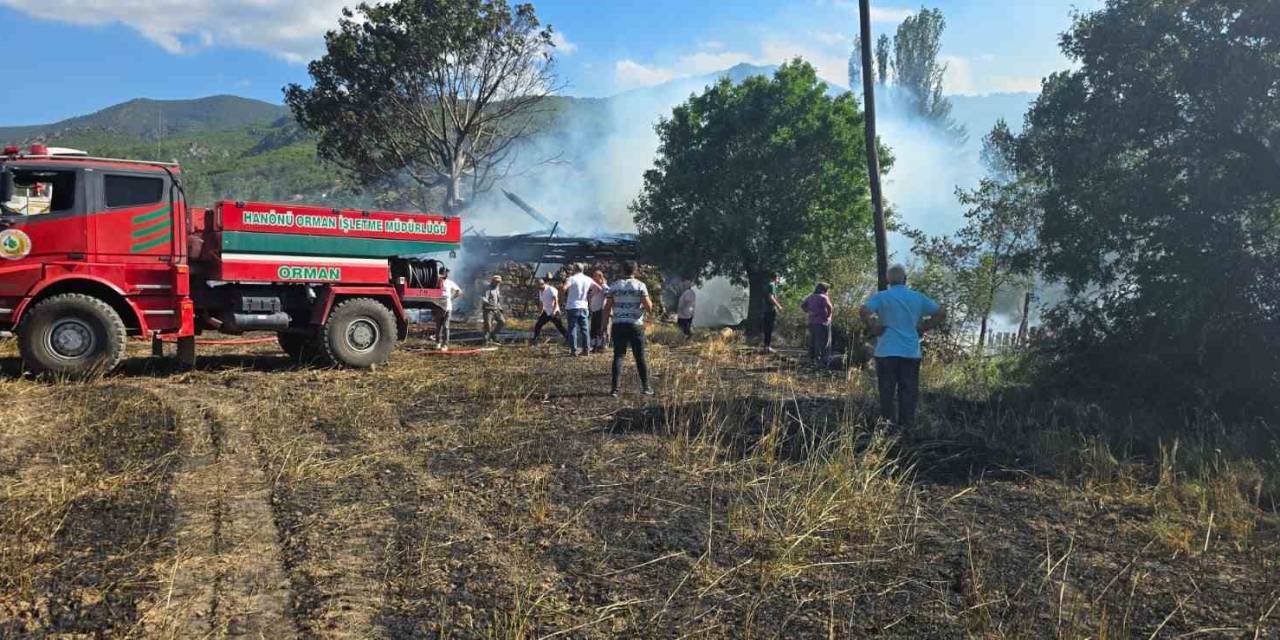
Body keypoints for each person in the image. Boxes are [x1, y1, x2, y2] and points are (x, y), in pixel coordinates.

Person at [859, 264, 947, 429]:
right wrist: (924, 327)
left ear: (888, 280)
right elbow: (941, 313)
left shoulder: (882, 296)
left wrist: (874, 326)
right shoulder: (917, 297)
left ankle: (887, 428)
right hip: (910, 352)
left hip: (886, 351)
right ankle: (907, 428)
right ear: (905, 279)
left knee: (886, 392)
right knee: (908, 392)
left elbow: (863, 310)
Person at [604, 261, 654, 397]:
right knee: (639, 356)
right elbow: (649, 307)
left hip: (618, 324)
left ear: (621, 270)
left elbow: (607, 307)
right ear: (635, 271)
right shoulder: (640, 285)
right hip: (635, 324)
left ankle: (615, 389)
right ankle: (646, 387)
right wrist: (642, 309)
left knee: (619, 355)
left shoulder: (614, 286)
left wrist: (604, 326)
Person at [562, 263, 599, 356]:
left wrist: (563, 294)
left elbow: (564, 288)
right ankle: (586, 350)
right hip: (583, 306)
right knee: (585, 329)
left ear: (575, 269)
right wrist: (590, 295)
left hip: (572, 306)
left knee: (572, 329)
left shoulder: (571, 279)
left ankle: (573, 351)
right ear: (582, 269)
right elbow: (598, 288)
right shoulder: (588, 279)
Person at [801, 282, 834, 367]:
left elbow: (803, 306)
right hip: (823, 323)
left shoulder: (810, 297)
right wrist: (828, 317)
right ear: (825, 290)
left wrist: (809, 312)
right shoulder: (823, 297)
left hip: (812, 322)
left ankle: (812, 360)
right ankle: (822, 361)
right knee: (824, 342)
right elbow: (830, 307)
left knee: (813, 341)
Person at [532, 274, 568, 343]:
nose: (538, 288)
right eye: (537, 286)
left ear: (542, 284)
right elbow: (541, 303)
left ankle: (568, 338)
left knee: (560, 327)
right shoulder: (540, 291)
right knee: (538, 325)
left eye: (538, 286)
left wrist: (554, 311)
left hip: (554, 312)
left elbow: (556, 301)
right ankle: (535, 339)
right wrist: (540, 313)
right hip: (546, 312)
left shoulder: (551, 289)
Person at [436, 267, 463, 351]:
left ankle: (445, 344)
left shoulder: (449, 283)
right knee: (438, 326)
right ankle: (438, 343)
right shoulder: (436, 282)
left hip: (448, 307)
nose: (445, 275)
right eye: (444, 273)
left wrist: (452, 298)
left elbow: (459, 291)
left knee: (446, 326)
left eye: (446, 273)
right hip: (438, 306)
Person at [588, 270, 609, 353]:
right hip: (594, 310)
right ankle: (594, 346)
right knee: (593, 329)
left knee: (599, 329)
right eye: (593, 275)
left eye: (595, 276)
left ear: (600, 276)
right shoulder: (593, 286)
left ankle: (600, 346)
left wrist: (605, 307)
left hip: (600, 310)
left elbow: (608, 295)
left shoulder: (604, 286)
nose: (593, 277)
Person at [482, 275, 506, 344]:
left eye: (499, 282)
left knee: (502, 322)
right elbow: (484, 298)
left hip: (496, 309)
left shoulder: (497, 289)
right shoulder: (487, 289)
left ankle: (494, 334)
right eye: (496, 282)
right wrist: (487, 302)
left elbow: (497, 300)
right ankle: (486, 340)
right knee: (488, 325)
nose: (498, 283)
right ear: (493, 281)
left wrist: (500, 307)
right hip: (488, 309)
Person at [762, 273, 782, 353]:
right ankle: (768, 347)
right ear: (775, 278)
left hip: (765, 309)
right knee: (769, 328)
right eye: (778, 278)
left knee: (767, 328)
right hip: (770, 309)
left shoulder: (766, 285)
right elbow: (771, 297)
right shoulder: (772, 285)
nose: (779, 280)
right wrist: (778, 306)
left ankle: (766, 347)